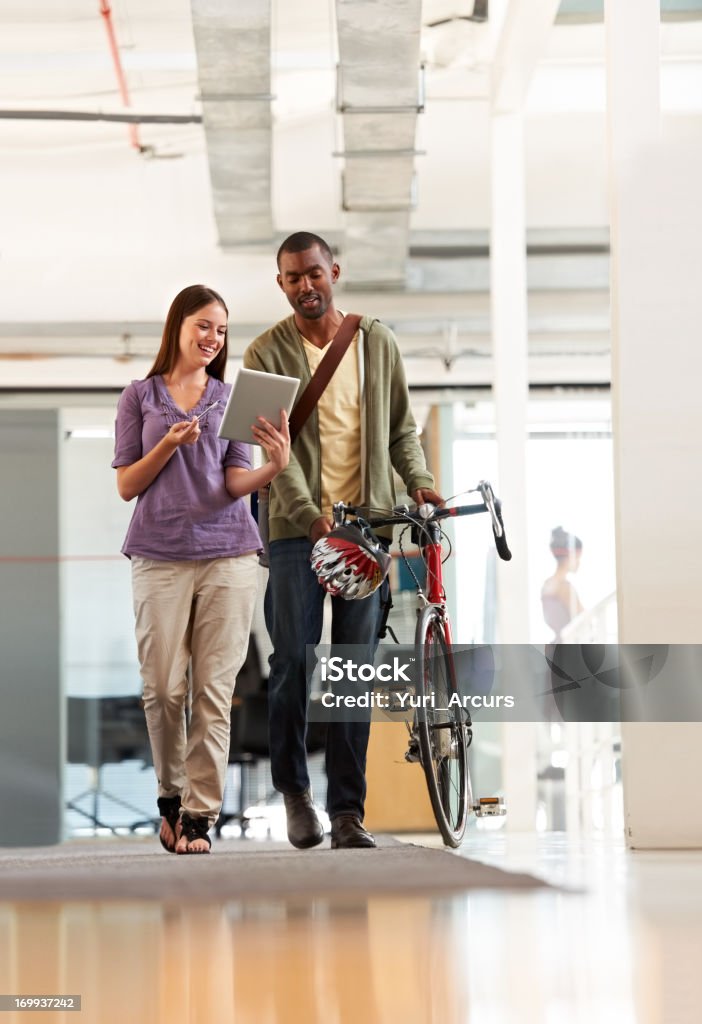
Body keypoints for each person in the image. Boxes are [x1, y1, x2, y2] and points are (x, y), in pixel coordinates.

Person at [244, 231, 443, 850]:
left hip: (370, 528)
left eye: (313, 273)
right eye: (292, 278)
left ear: (334, 271)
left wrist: (422, 483)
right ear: (281, 284)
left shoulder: (377, 341)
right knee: (292, 664)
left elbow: (402, 431)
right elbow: (268, 451)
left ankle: (349, 812)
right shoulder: (261, 352)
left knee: (355, 669)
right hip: (293, 534)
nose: (305, 286)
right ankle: (296, 795)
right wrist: (308, 517)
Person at [112, 284, 290, 854]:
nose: (213, 338)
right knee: (163, 689)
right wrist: (166, 443)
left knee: (214, 691)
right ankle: (171, 792)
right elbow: (127, 485)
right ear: (178, 327)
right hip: (159, 556)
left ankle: (198, 816)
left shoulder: (230, 397)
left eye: (220, 329)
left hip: (229, 554)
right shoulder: (138, 396)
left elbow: (232, 481)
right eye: (203, 326)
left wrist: (274, 467)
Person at [541, 525, 584, 641]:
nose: (579, 563)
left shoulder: (547, 584)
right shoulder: (565, 588)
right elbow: (583, 621)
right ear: (570, 556)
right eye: (578, 558)